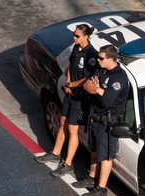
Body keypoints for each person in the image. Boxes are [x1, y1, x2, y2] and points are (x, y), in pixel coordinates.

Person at [35, 24, 98, 177]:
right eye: (74, 35)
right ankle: (56, 152)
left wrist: (72, 85)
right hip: (71, 94)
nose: (74, 38)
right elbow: (71, 66)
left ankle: (68, 163)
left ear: (86, 36)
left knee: (72, 128)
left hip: (81, 98)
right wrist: (68, 83)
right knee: (62, 120)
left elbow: (88, 79)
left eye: (77, 36)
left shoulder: (91, 55)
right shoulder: (76, 49)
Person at [72, 44, 130, 196]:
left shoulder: (119, 77)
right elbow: (87, 85)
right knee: (95, 152)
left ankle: (101, 188)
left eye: (101, 58)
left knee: (105, 157)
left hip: (107, 124)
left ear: (111, 59)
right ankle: (91, 178)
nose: (97, 60)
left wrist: (97, 89)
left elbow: (107, 101)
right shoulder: (101, 70)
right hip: (95, 119)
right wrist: (97, 89)